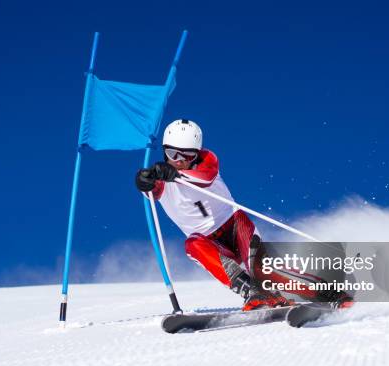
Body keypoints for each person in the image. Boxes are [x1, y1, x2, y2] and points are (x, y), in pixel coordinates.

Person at [135, 119, 351, 310]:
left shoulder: (207, 161)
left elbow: (204, 178)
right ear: (164, 152)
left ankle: (331, 294)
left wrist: (176, 173)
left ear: (197, 153)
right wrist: (144, 181)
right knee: (192, 245)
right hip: (210, 244)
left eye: (187, 155)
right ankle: (255, 293)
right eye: (173, 154)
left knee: (264, 271)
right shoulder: (161, 182)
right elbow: (150, 190)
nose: (179, 160)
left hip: (235, 227)